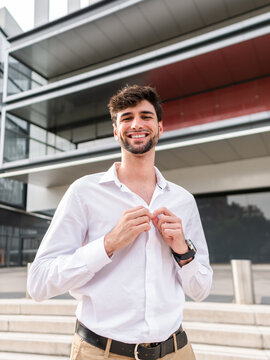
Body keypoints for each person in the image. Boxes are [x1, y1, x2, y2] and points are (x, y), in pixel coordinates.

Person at [27, 85, 213, 360]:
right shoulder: (83, 192)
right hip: (101, 352)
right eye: (126, 117)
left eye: (146, 116)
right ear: (116, 131)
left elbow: (201, 290)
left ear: (160, 127)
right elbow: (39, 284)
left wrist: (183, 251)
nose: (137, 124)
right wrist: (108, 244)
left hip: (176, 351)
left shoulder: (182, 200)